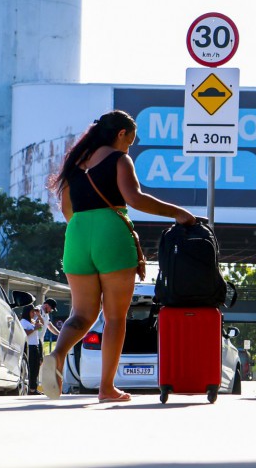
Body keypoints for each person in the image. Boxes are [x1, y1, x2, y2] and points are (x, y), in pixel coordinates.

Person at [41, 109, 196, 403]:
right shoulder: (118, 159)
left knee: (81, 315)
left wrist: (85, 228)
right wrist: (179, 213)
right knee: (114, 317)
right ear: (120, 134)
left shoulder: (75, 164)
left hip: (76, 236)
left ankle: (57, 354)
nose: (130, 147)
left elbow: (66, 210)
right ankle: (106, 388)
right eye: (131, 140)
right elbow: (134, 198)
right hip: (110, 235)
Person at [20, 306, 43, 395]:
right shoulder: (23, 322)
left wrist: (37, 324)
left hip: (35, 346)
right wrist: (35, 328)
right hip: (29, 347)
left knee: (36, 368)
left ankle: (34, 388)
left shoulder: (32, 321)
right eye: (32, 312)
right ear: (27, 312)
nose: (33, 314)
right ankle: (31, 389)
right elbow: (25, 333)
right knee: (31, 368)